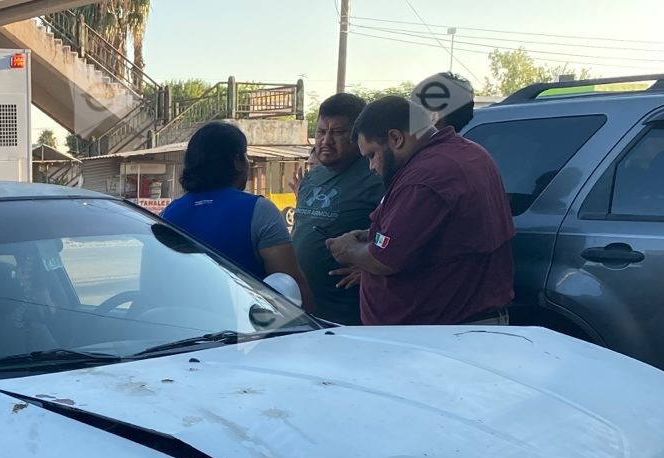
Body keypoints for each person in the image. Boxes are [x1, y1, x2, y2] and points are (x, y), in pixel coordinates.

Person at [325, 96, 514, 326]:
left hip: (439, 335)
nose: (372, 167)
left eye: (372, 155)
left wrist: (348, 250)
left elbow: (384, 259)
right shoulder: (469, 152)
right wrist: (372, 234)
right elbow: (430, 232)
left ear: (395, 138)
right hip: (455, 326)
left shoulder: (425, 177)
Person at [161, 122, 313, 310]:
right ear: (237, 161)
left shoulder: (167, 214)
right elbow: (293, 287)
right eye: (246, 156)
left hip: (184, 329)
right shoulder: (258, 210)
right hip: (248, 332)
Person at [290, 93, 383, 325]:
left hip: (347, 315)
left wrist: (372, 272)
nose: (326, 141)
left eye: (338, 133)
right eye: (321, 132)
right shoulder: (313, 177)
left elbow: (402, 238)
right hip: (303, 311)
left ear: (358, 135)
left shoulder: (376, 177)